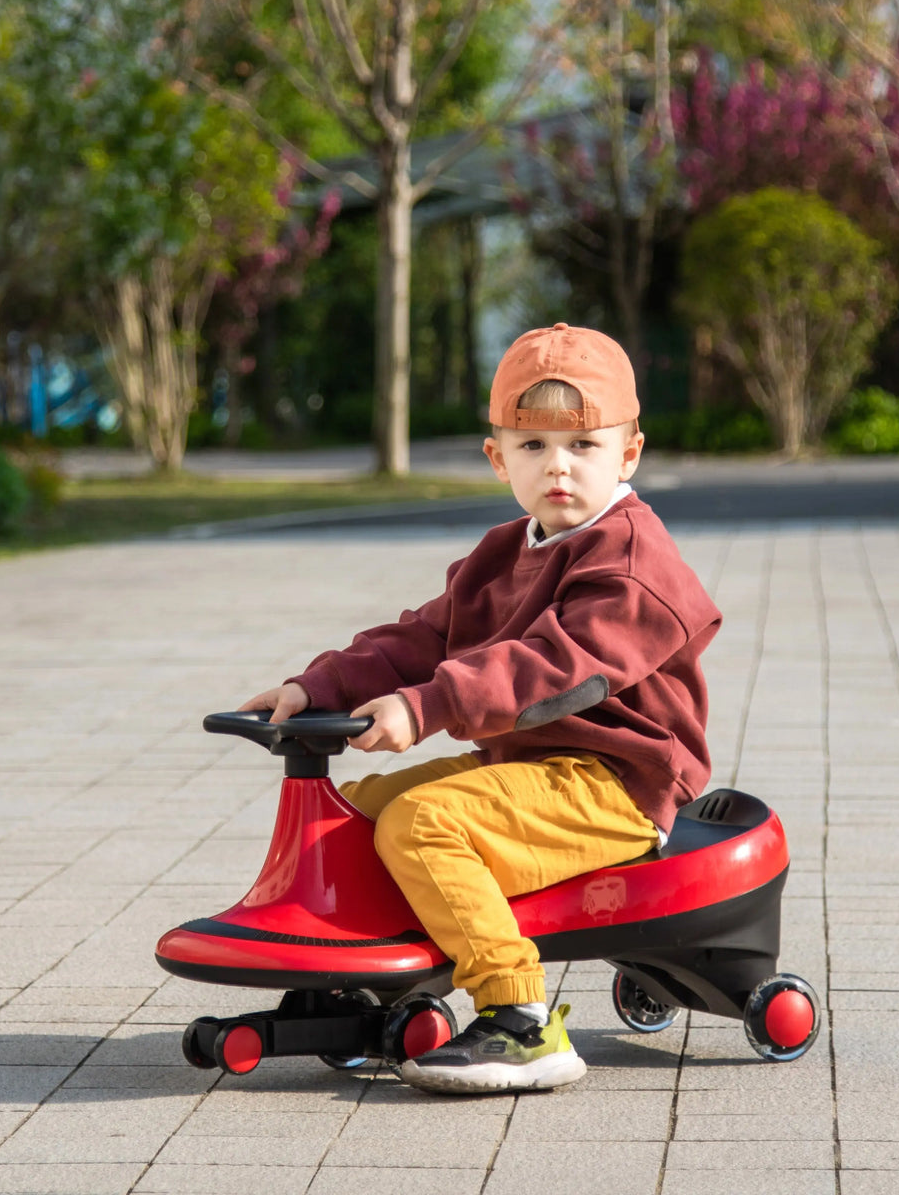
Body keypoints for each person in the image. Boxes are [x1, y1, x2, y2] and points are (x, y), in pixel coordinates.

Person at [240, 323, 721, 1095]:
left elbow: (554, 669)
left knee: (424, 823)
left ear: (628, 453)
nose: (557, 467)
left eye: (583, 447)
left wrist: (427, 708)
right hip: (528, 768)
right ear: (498, 457)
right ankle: (378, 974)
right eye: (532, 448)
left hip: (613, 784)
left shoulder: (632, 562)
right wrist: (317, 688)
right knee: (355, 811)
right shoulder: (505, 550)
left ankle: (520, 1017)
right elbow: (426, 635)